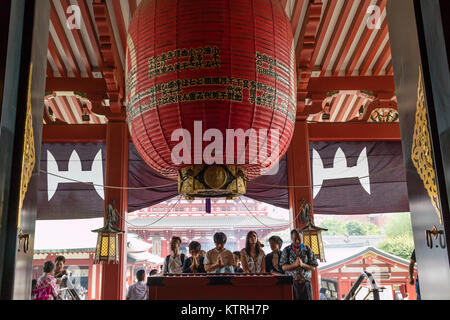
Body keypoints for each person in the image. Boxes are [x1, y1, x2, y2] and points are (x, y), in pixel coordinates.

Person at [280, 229, 318, 300]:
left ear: (302, 238)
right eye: (295, 239)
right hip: (292, 284)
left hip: (305, 283)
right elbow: (283, 267)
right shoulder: (286, 250)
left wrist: (302, 265)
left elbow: (313, 267)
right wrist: (294, 265)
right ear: (291, 239)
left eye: (299, 239)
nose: (297, 241)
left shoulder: (308, 250)